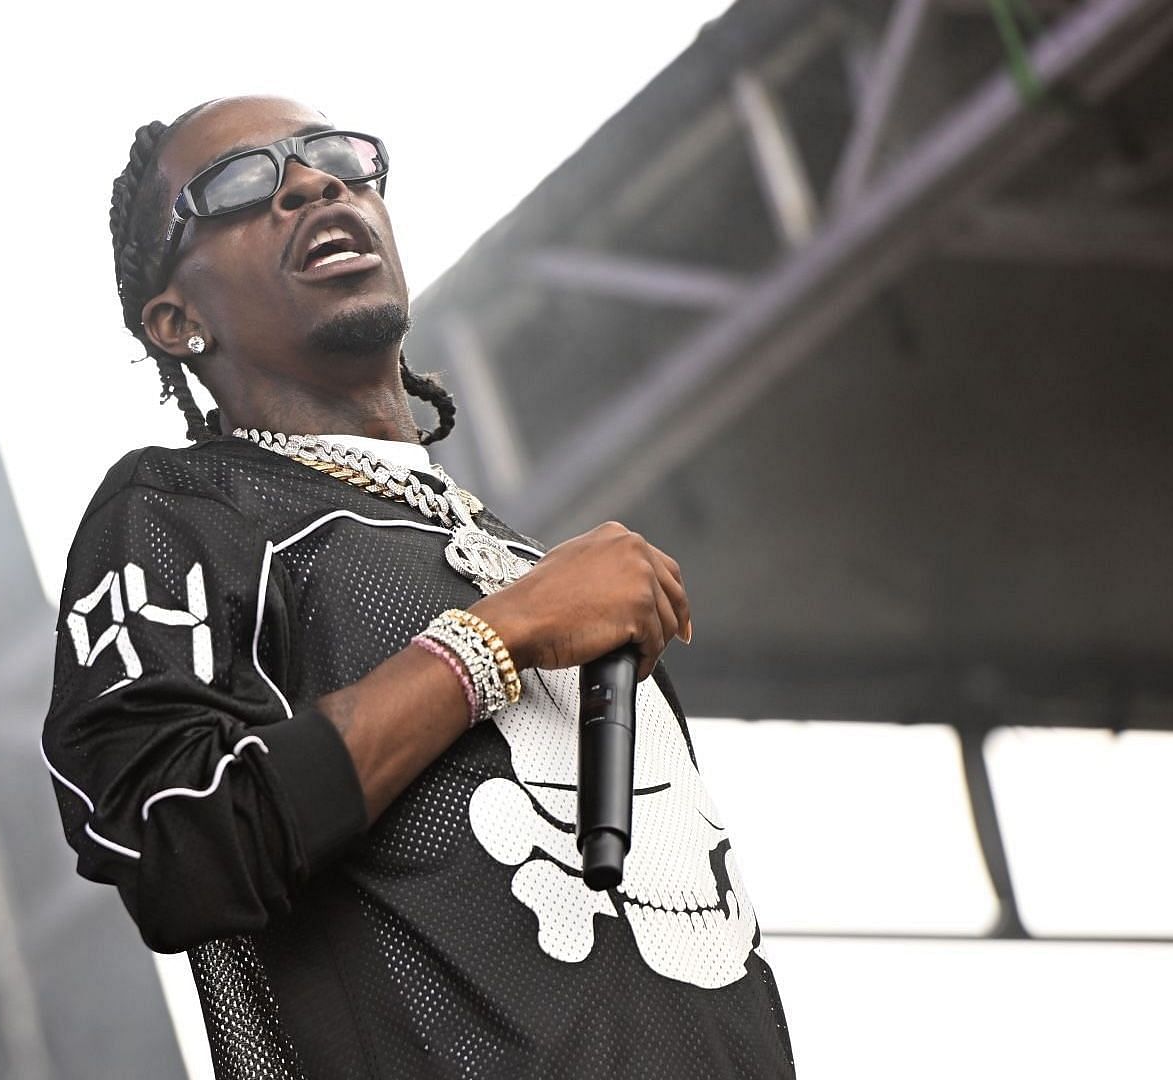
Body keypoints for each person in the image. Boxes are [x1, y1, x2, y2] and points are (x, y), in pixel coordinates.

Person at [41, 95, 794, 1079]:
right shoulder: (189, 508)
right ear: (179, 321)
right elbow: (176, 845)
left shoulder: (528, 566)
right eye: (240, 184)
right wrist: (494, 643)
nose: (313, 183)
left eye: (335, 157)